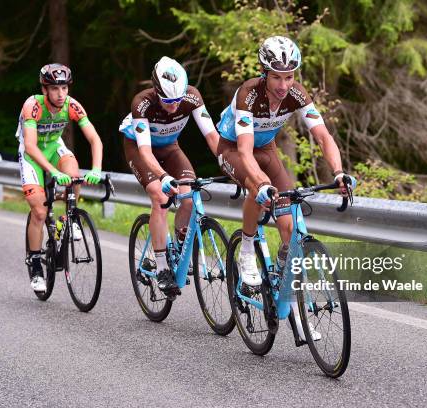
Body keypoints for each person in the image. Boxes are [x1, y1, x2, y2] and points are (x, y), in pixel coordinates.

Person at [216, 36, 355, 341]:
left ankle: (287, 288)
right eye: (276, 77)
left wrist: (339, 172)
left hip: (267, 149)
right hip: (233, 150)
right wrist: (262, 183)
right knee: (257, 187)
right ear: (264, 73)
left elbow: (323, 136)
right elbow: (245, 148)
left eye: (289, 76)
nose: (283, 84)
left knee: (290, 225)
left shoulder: (297, 94)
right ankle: (248, 250)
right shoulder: (248, 96)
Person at [120, 56, 220, 296]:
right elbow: (145, 151)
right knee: (160, 196)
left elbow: (213, 137)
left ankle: (178, 247)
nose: (174, 106)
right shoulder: (142, 103)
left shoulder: (192, 96)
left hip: (170, 147)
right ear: (156, 91)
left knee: (188, 196)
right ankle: (162, 264)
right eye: (168, 100)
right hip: (140, 149)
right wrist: (163, 177)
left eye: (178, 100)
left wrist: (231, 166)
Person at [16, 63, 103, 292]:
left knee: (74, 175)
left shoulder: (72, 105)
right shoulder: (33, 106)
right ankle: (35, 264)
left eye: (64, 88)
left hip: (55, 148)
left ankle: (69, 218)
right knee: (40, 211)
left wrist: (96, 169)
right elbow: (32, 147)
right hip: (32, 154)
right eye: (55, 88)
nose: (61, 94)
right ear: (45, 90)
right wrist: (53, 173)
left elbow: (95, 139)